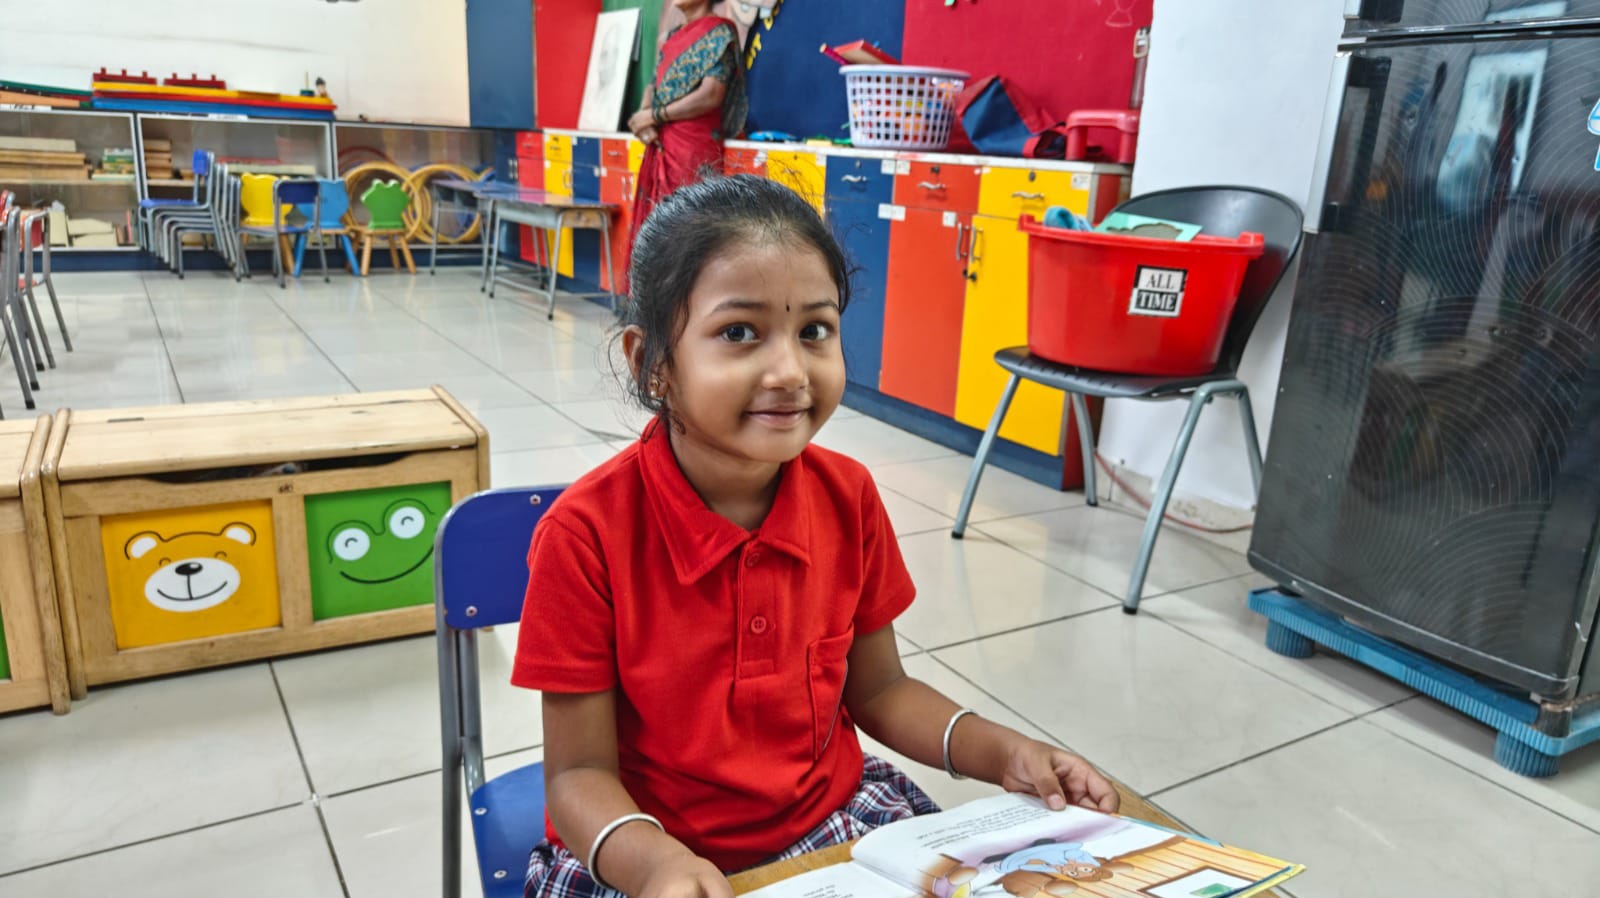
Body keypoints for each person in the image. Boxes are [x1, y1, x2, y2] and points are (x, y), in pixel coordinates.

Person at [511, 175, 1119, 898]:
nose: (790, 371)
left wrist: (1007, 752)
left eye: (815, 331)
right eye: (739, 332)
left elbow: (882, 690)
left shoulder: (849, 496)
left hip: (830, 822)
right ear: (653, 364)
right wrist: (657, 865)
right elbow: (577, 775)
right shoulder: (584, 537)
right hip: (646, 851)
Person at [625, 0, 747, 237]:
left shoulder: (720, 32)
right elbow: (654, 85)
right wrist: (643, 115)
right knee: (657, 230)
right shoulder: (672, 37)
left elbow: (711, 95)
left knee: (689, 229)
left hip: (693, 147)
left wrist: (655, 115)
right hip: (663, 145)